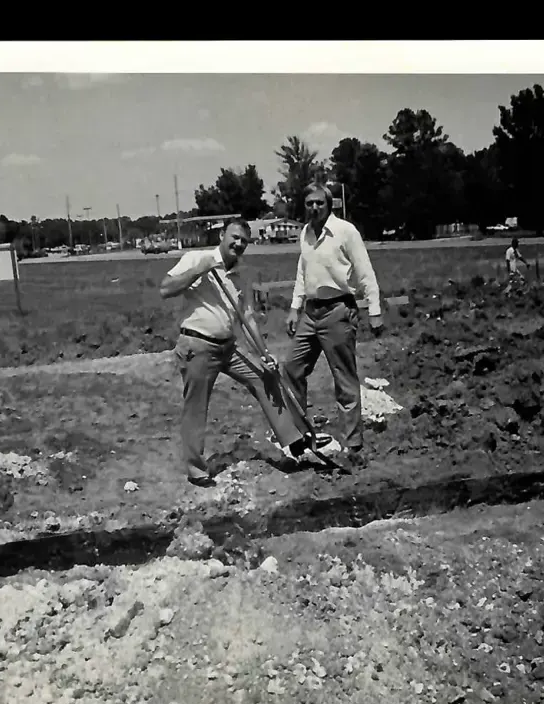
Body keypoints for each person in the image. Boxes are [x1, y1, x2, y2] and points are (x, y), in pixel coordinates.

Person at [160, 220, 314, 487]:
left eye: (244, 240)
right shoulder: (198, 258)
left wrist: (264, 353)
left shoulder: (242, 274)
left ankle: (293, 441)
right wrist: (200, 270)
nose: (238, 244)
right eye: (234, 237)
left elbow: (247, 317)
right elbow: (166, 289)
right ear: (222, 235)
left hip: (228, 347)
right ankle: (196, 469)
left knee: (264, 376)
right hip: (198, 346)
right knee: (196, 406)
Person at [284, 184, 383, 464]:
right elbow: (303, 273)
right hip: (310, 312)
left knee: (344, 379)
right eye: (309, 203)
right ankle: (299, 435)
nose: (314, 208)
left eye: (319, 203)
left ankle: (353, 446)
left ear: (329, 205)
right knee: (291, 368)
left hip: (338, 311)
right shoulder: (305, 233)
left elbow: (365, 272)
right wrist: (294, 308)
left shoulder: (345, 231)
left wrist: (374, 309)